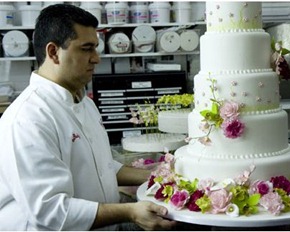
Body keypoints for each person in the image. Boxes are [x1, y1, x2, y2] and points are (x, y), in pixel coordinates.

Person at [0, 4, 177, 231]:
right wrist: (130, 212)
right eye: (86, 49)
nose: (96, 58)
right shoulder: (28, 119)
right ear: (53, 52)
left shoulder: (84, 102)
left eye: (96, 48)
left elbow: (101, 167)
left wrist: (155, 176)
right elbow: (51, 212)